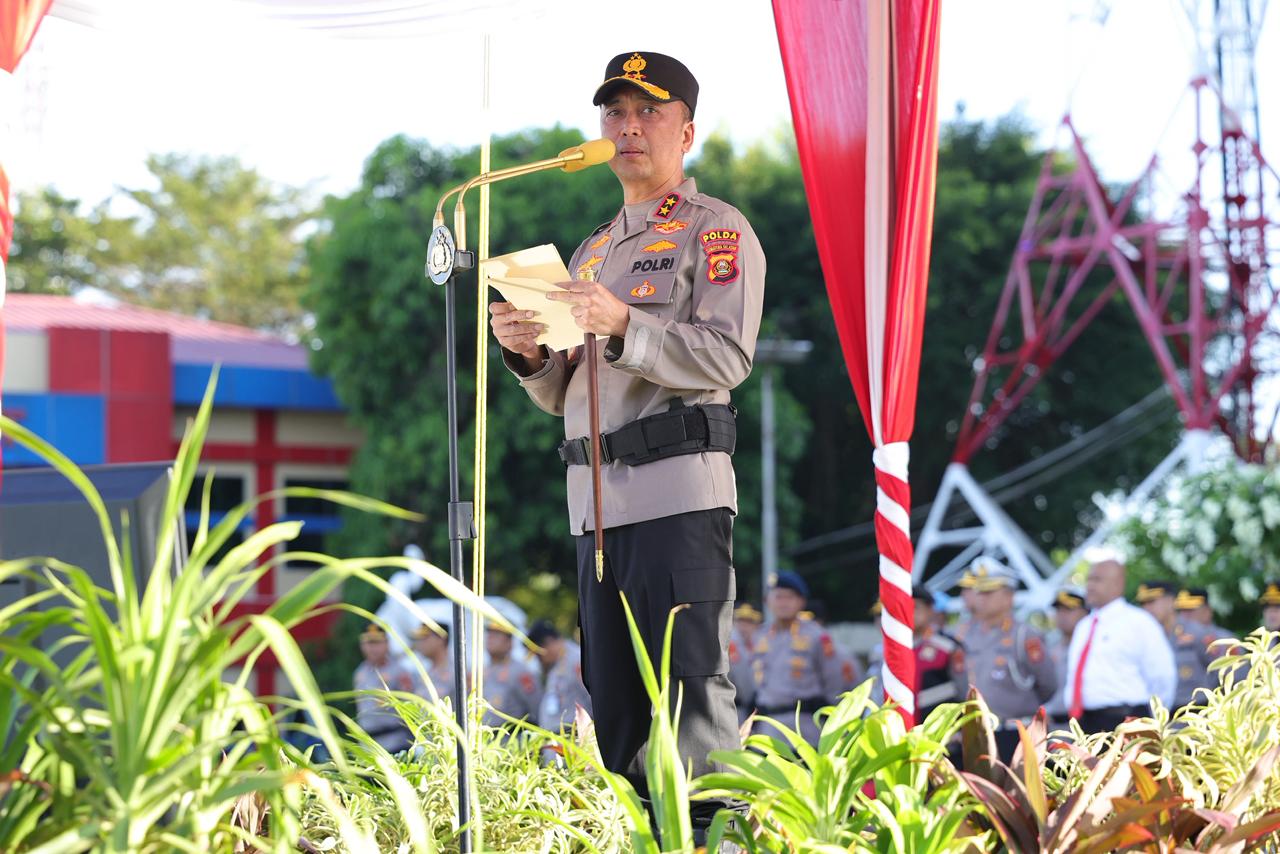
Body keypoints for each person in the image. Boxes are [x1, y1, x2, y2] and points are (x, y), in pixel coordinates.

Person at [489, 50, 764, 834]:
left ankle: (709, 843)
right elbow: (565, 394)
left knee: (690, 697)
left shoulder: (716, 229)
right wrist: (530, 355)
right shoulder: (593, 248)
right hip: (596, 511)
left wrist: (623, 323)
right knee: (614, 707)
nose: (629, 126)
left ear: (687, 131)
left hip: (677, 495)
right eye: (615, 111)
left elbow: (727, 357)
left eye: (649, 111)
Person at [948, 557, 1056, 763]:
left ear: (1009, 596)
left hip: (1016, 734)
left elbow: (1048, 685)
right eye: (980, 591)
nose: (981, 598)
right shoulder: (963, 635)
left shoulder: (1024, 636)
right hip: (977, 735)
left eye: (989, 592)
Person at [1064, 557, 1176, 734]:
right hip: (1086, 724)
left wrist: (1153, 721)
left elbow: (1162, 677)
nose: (1090, 586)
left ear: (1118, 584)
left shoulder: (1139, 622)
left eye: (1097, 580)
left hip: (1127, 721)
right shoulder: (1083, 626)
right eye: (1089, 579)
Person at [751, 571, 846, 746]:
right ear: (767, 601)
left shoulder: (817, 636)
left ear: (801, 602)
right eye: (778, 597)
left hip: (805, 728)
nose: (783, 603)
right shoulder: (759, 635)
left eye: (789, 597)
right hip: (768, 728)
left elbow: (834, 683)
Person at [1137, 580, 1226, 709]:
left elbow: (1223, 672)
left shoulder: (1196, 633)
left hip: (1197, 711)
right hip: (1161, 713)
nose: (1147, 608)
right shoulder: (1146, 638)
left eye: (1151, 601)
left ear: (1170, 601)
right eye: (1143, 604)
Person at [353, 623, 415, 752]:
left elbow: (411, 707)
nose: (373, 648)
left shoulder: (399, 671)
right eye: (369, 643)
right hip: (370, 745)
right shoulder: (360, 673)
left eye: (377, 643)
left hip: (396, 742)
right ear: (362, 645)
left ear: (387, 644)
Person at [527, 619, 593, 732]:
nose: (539, 660)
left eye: (538, 654)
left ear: (548, 643)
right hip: (559, 734)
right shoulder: (557, 663)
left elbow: (592, 699)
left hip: (575, 734)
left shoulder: (576, 661)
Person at [480, 623, 543, 728]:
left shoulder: (520, 672)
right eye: (489, 634)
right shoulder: (484, 671)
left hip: (510, 734)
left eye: (496, 635)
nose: (490, 638)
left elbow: (537, 708)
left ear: (509, 643)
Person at [913, 588, 960, 723]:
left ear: (930, 610)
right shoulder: (893, 647)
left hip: (941, 726)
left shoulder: (947, 647)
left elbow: (964, 690)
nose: (910, 612)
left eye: (915, 607)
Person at [1044, 584, 1088, 726]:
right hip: (1052, 724)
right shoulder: (1048, 647)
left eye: (1069, 609)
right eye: (1058, 610)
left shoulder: (1095, 648)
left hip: (1085, 723)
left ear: (1085, 612)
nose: (1062, 615)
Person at [729, 604, 762, 724]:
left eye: (749, 622)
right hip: (738, 707)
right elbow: (742, 677)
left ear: (756, 625)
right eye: (740, 621)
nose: (744, 626)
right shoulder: (731, 645)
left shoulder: (759, 645)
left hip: (757, 707)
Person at [410, 621, 454, 704]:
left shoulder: (457, 673)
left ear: (441, 639)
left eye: (425, 638)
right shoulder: (426, 672)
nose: (420, 643)